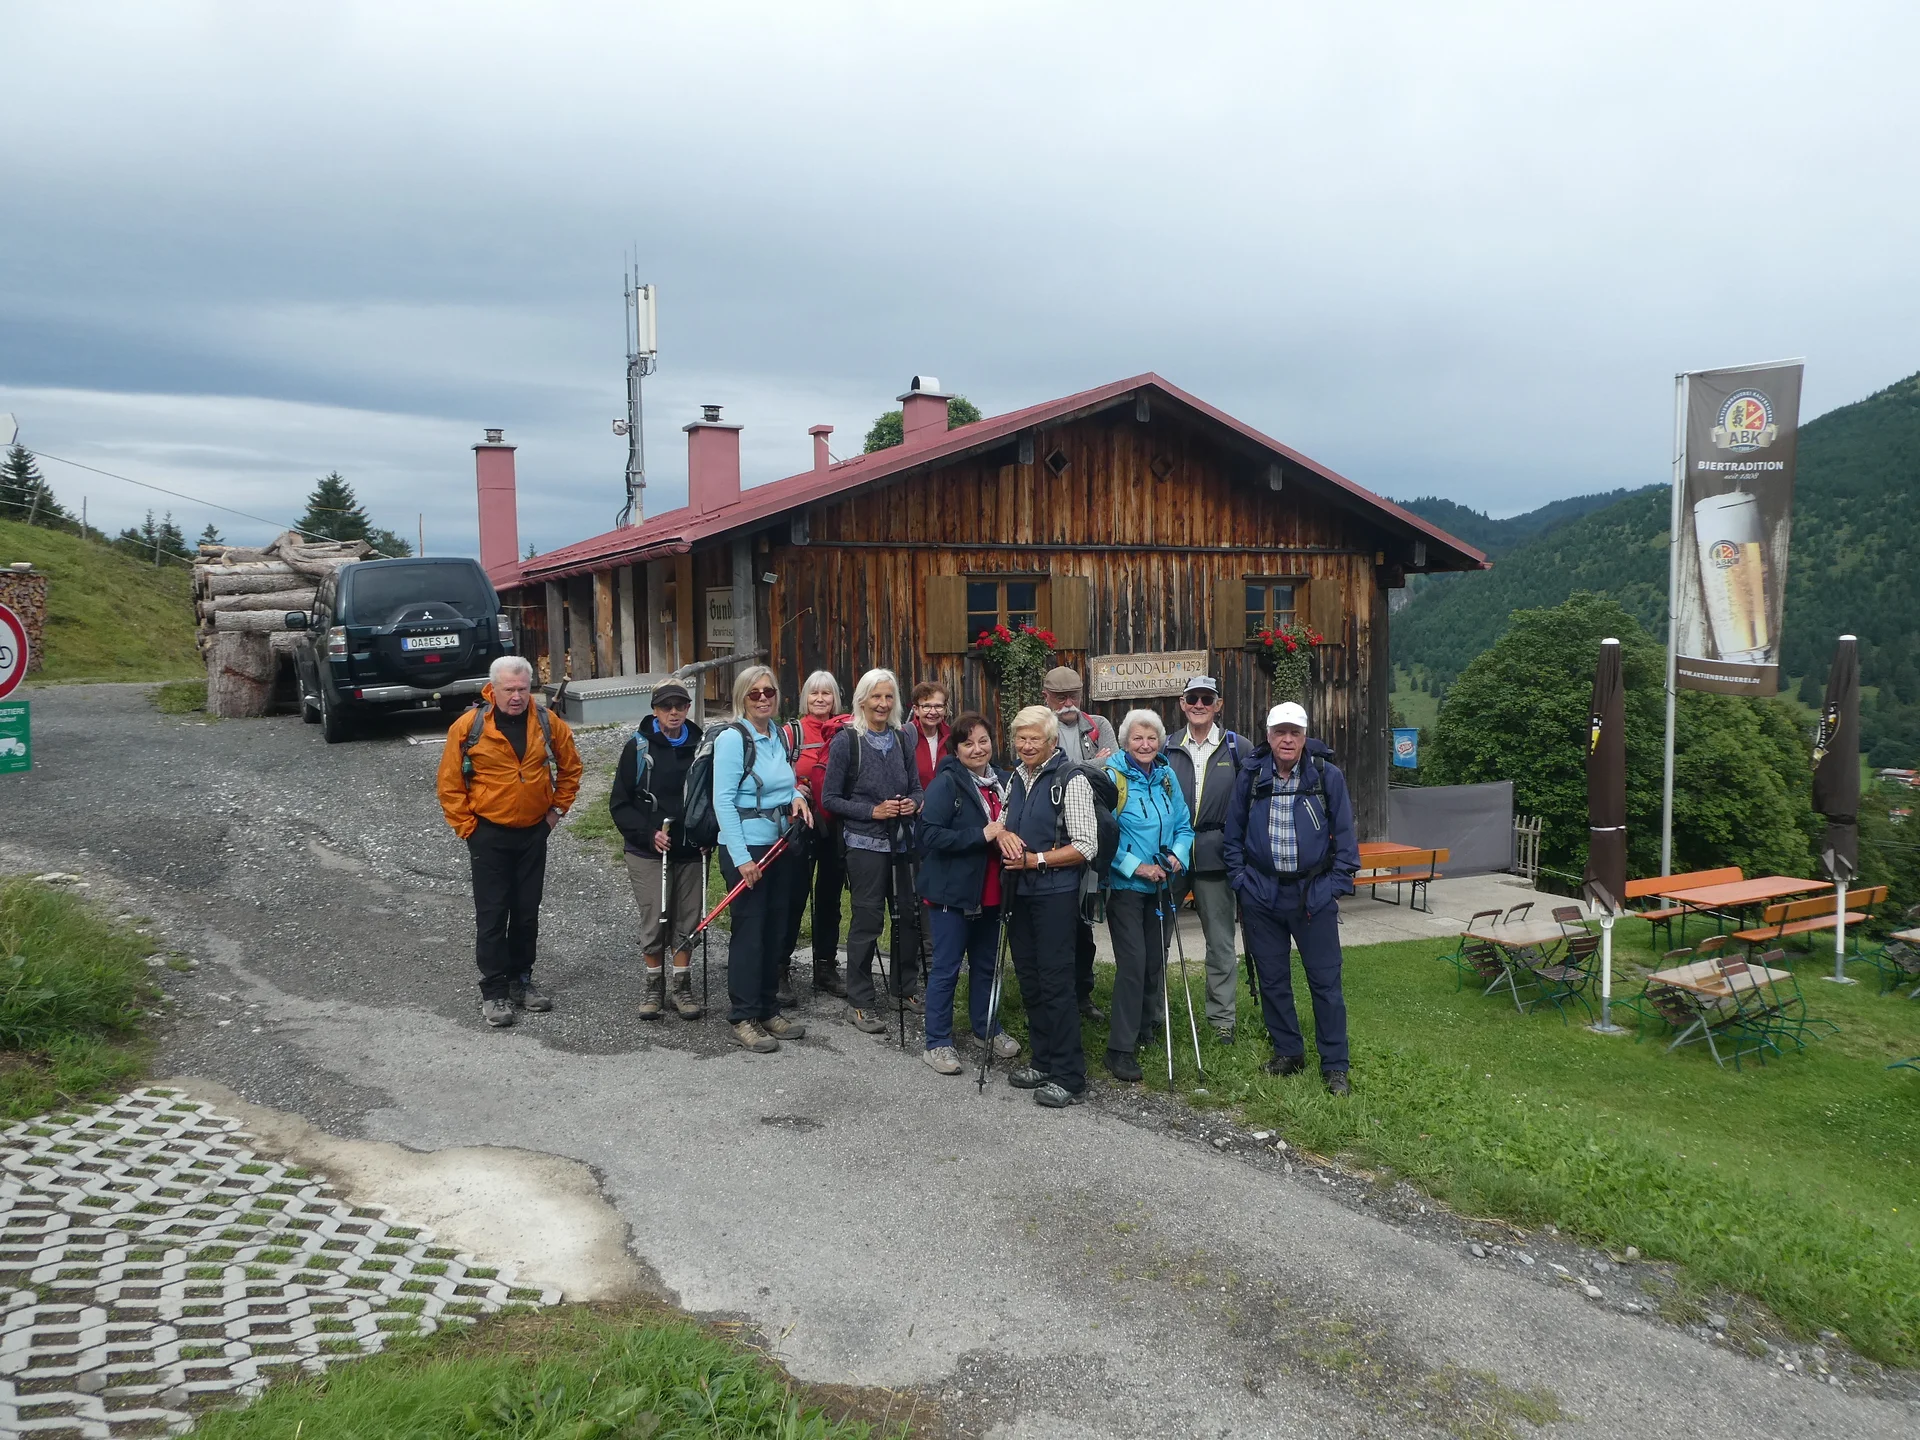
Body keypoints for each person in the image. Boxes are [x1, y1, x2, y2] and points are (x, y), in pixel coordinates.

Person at [435, 655, 583, 1028]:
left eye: (521, 688)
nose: (516, 696)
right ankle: (494, 990)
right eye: (508, 689)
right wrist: (467, 827)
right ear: (493, 689)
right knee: (492, 914)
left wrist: (555, 815)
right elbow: (449, 784)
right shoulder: (469, 727)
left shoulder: (548, 723)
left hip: (534, 832)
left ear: (529, 686)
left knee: (526, 911)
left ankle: (521, 980)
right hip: (488, 834)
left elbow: (571, 768)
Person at [1223, 701, 1359, 1094]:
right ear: (1268, 736)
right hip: (1261, 894)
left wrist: (1334, 885)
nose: (1287, 739)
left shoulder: (1324, 775)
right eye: (1280, 732)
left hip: (1313, 894)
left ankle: (1335, 1065)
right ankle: (1289, 1052)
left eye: (1294, 733)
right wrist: (1241, 881)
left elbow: (1347, 838)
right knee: (1273, 979)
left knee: (1325, 982)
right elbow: (1233, 837)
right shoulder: (1250, 776)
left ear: (1304, 737)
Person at [998, 705, 1096, 1108]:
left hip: (1054, 894)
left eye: (1034, 738)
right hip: (1019, 893)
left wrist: (1036, 860)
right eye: (1021, 738)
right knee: (1031, 979)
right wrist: (1002, 834)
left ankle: (1070, 1076)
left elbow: (1086, 845)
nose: (1026, 745)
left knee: (1056, 981)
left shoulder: (1069, 779)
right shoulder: (1017, 777)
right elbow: (1003, 819)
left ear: (1052, 741)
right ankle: (1043, 1059)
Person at [712, 665, 813, 1053]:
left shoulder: (776, 736)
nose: (763, 698)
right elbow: (723, 800)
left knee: (777, 927)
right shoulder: (733, 739)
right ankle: (744, 1015)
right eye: (754, 693)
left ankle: (768, 1007)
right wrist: (740, 858)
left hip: (780, 844)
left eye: (768, 692)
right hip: (748, 849)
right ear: (742, 698)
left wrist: (798, 797)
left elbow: (784, 784)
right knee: (751, 931)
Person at [916, 712, 1022, 1075]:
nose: (978, 749)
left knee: (988, 967)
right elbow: (928, 836)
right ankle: (937, 1042)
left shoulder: (1004, 781)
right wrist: (981, 835)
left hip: (992, 891)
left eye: (983, 741)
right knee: (946, 968)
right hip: (952, 893)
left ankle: (986, 1029)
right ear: (956, 749)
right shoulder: (946, 785)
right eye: (968, 743)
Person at [823, 668, 925, 1033]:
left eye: (888, 697)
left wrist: (913, 803)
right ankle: (860, 999)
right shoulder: (846, 741)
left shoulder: (901, 739)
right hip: (864, 844)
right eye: (876, 697)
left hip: (901, 841)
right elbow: (830, 798)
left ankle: (903, 988)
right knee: (868, 921)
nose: (882, 704)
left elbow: (916, 788)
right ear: (862, 700)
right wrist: (872, 811)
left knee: (907, 916)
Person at [1101, 709, 1194, 1082]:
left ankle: (1144, 1029)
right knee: (1133, 965)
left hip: (1162, 887)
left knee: (1154, 960)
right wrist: (1135, 867)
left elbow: (1185, 826)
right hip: (1126, 889)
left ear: (1160, 741)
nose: (1145, 744)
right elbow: (1101, 838)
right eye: (1138, 738)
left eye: (1151, 738)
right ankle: (1118, 1049)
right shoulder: (1112, 779)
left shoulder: (1167, 776)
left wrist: (1177, 856)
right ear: (1125, 742)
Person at [608, 679, 704, 1022]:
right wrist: (648, 835)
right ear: (655, 710)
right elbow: (619, 804)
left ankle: (682, 986)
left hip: (691, 848)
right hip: (648, 851)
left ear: (688, 708)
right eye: (666, 707)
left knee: (688, 918)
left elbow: (712, 795)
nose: (674, 712)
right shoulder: (637, 748)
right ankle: (653, 986)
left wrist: (708, 833)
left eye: (680, 706)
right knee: (655, 917)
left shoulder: (702, 745)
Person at [1164, 676, 1249, 1043]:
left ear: (1218, 704)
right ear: (1183, 704)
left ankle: (1222, 1021)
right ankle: (1152, 1015)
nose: (1199, 704)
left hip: (1217, 855)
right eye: (1192, 698)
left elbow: (1251, 803)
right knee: (1156, 938)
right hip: (1171, 856)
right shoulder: (1165, 746)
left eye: (1206, 698)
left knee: (1220, 942)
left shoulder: (1237, 748)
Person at [1041, 665, 1116, 1023]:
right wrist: (1090, 765)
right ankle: (1051, 996)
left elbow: (1112, 770)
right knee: (1055, 919)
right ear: (1047, 697)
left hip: (1093, 833)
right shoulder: (1038, 726)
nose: (1068, 702)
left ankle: (1082, 993)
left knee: (1084, 921)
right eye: (1060, 697)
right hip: (1054, 833)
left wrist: (1075, 768)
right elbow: (1045, 771)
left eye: (1073, 695)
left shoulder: (1098, 725)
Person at [784, 671, 850, 998]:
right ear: (805, 699)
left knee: (829, 899)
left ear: (835, 698)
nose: (821, 699)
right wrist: (797, 790)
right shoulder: (792, 733)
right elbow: (777, 774)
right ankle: (780, 968)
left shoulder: (845, 730)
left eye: (826, 694)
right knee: (794, 897)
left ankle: (825, 967)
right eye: (814, 694)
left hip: (836, 825)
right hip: (802, 825)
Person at [908, 680, 951, 791]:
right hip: (914, 806)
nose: (933, 712)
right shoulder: (905, 736)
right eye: (926, 706)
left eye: (938, 706)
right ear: (916, 709)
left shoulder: (951, 737)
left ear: (945, 709)